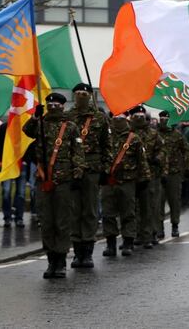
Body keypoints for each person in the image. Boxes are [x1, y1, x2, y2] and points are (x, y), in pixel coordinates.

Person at [22, 93, 85, 279]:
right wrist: (35, 116)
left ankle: (61, 261)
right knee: (47, 222)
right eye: (50, 104)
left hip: (64, 180)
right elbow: (27, 131)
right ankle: (51, 260)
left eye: (57, 104)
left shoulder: (71, 127)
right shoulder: (41, 124)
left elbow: (78, 152)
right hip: (44, 180)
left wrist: (77, 174)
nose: (53, 107)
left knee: (62, 222)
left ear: (63, 106)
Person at [64, 83, 110, 267]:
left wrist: (106, 170)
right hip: (73, 170)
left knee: (90, 211)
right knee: (75, 211)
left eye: (85, 93)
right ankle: (77, 251)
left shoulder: (99, 117)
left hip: (92, 169)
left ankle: (88, 252)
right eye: (78, 93)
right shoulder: (68, 117)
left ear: (91, 96)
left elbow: (107, 145)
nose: (81, 96)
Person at [102, 111, 150, 257]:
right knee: (108, 214)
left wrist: (144, 179)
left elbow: (142, 161)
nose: (118, 120)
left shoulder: (133, 138)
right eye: (115, 117)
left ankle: (128, 242)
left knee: (128, 213)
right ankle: (110, 245)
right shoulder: (105, 136)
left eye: (121, 117)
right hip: (108, 181)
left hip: (128, 182)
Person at [132, 106, 164, 247]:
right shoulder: (129, 133)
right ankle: (136, 234)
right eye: (136, 115)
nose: (139, 118)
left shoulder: (153, 133)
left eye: (141, 115)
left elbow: (162, 150)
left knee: (151, 205)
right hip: (132, 173)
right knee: (134, 206)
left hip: (151, 174)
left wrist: (157, 159)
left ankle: (151, 234)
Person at [158, 110, 189, 238]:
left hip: (174, 172)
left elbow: (186, 151)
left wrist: (187, 167)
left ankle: (175, 225)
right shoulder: (155, 134)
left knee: (174, 200)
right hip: (159, 173)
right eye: (161, 118)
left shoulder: (177, 135)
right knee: (158, 201)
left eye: (166, 118)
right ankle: (159, 227)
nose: (163, 121)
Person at [0, 121, 26, 228]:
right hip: (8, 164)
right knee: (6, 191)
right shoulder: (4, 127)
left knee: (21, 192)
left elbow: (29, 143)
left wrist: (27, 159)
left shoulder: (25, 125)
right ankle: (7, 217)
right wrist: (2, 159)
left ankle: (19, 217)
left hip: (21, 163)